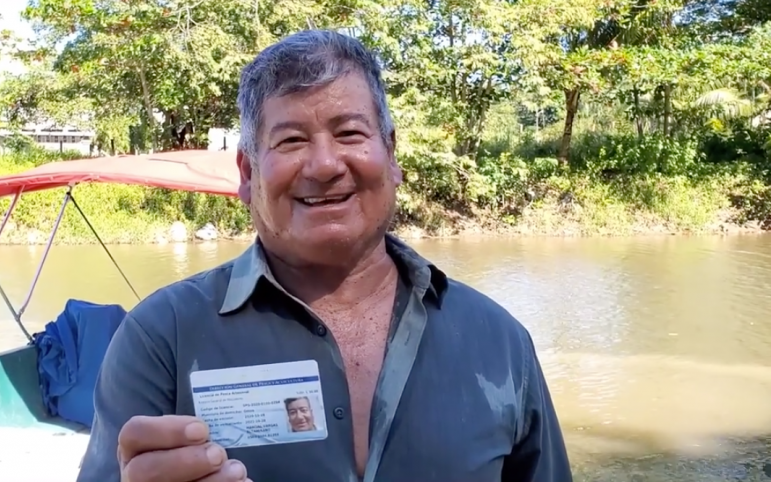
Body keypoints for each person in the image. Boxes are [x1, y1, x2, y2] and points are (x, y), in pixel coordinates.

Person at [77, 29, 573, 482]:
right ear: (248, 175)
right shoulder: (161, 338)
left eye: (350, 133)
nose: (324, 164)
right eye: (291, 140)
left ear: (391, 155)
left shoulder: (500, 341)